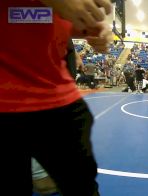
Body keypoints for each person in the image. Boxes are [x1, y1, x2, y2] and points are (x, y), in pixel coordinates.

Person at [0, 0, 113, 195]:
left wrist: (88, 30)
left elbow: (31, 16)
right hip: (7, 100)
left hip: (59, 97)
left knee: (83, 187)